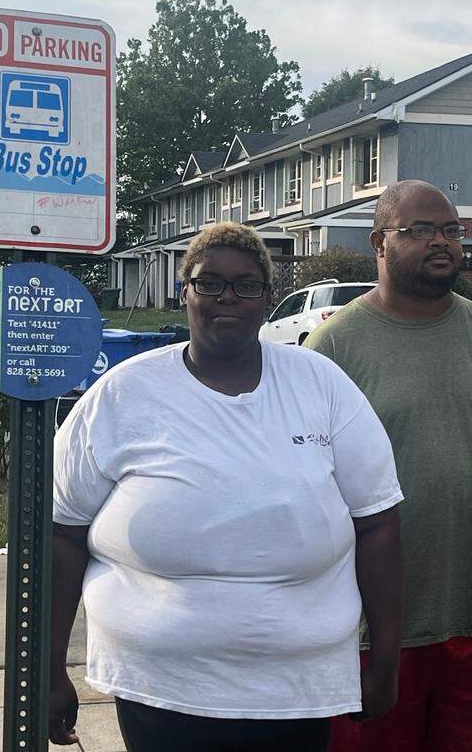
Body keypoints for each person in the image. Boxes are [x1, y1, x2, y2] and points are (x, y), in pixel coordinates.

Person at [48, 221, 405, 752]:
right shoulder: (121, 395)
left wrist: (385, 660)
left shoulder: (322, 386)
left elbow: (378, 525)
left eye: (246, 285)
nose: (227, 298)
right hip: (158, 687)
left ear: (267, 298)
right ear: (184, 291)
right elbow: (61, 533)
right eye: (209, 283)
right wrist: (49, 667)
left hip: (297, 688)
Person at [306, 180, 472, 751]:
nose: (441, 242)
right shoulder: (333, 348)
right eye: (419, 230)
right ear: (379, 242)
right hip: (371, 632)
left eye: (450, 230)